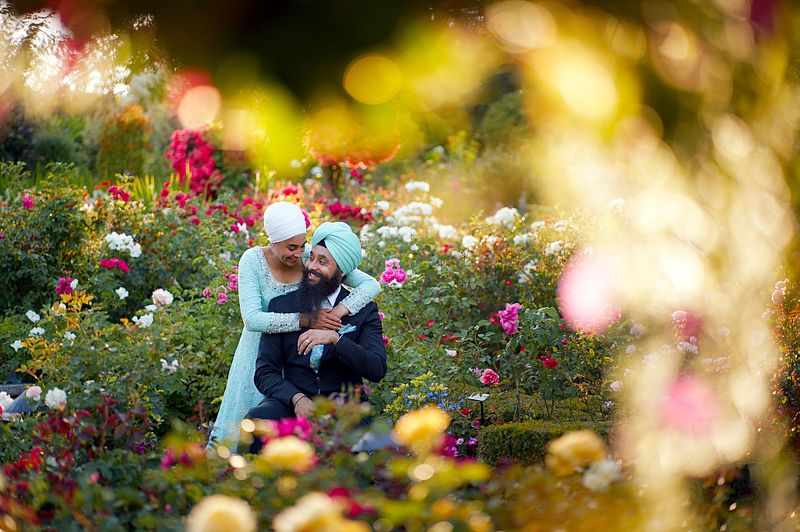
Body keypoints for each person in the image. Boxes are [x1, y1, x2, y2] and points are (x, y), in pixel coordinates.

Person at [207, 203, 381, 450]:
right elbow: (252, 319)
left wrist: (336, 319)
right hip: (264, 339)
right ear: (273, 241)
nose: (301, 256)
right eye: (292, 247)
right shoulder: (254, 260)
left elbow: (370, 284)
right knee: (254, 413)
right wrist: (306, 319)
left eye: (303, 247)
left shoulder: (314, 254)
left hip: (318, 367)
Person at [247, 221, 387, 451]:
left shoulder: (364, 311)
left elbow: (377, 369)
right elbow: (265, 372)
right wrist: (297, 399)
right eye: (311, 257)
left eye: (323, 262)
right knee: (259, 422)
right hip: (293, 404)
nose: (311, 266)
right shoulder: (282, 306)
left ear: (341, 272)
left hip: (344, 409)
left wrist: (337, 340)